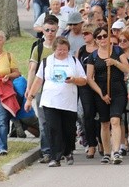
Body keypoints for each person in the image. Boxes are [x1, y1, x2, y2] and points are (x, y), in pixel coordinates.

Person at [25, 37, 87, 167]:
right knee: (53, 129)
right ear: (54, 49)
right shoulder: (46, 62)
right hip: (50, 101)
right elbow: (38, 81)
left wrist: (74, 80)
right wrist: (29, 99)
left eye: (65, 50)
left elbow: (84, 80)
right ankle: (55, 157)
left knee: (68, 130)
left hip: (68, 102)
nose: (62, 52)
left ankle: (68, 151)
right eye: (59, 50)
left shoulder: (74, 61)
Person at [86, 27, 129, 164]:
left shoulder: (117, 51)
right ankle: (106, 152)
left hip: (118, 90)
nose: (102, 39)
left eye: (105, 36)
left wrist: (115, 62)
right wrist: (101, 93)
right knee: (104, 123)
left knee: (115, 120)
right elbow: (89, 78)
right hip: (101, 91)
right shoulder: (93, 56)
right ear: (96, 40)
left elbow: (127, 69)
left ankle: (116, 152)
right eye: (99, 37)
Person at [26, 16, 59, 163]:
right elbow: (32, 69)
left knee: (58, 120)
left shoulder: (61, 45)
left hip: (59, 90)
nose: (50, 33)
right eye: (47, 30)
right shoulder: (38, 48)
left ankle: (60, 149)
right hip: (41, 90)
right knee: (44, 121)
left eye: (53, 30)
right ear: (43, 31)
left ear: (57, 29)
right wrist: (29, 89)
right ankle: (46, 151)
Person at [76, 23, 99, 158]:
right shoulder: (82, 50)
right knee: (87, 114)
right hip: (85, 85)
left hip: (99, 84)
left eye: (87, 33)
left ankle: (102, 140)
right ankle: (91, 144)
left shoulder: (101, 49)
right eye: (82, 33)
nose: (84, 35)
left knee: (101, 114)